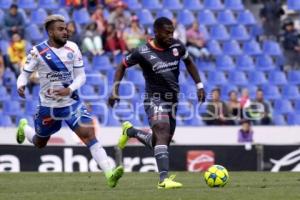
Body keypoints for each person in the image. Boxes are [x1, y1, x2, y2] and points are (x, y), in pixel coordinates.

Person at [16, 15, 123, 188]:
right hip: (48, 108)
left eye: (66, 28)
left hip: (71, 103)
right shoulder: (37, 51)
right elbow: (24, 74)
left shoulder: (73, 48)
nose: (66, 31)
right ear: (50, 32)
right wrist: (21, 85)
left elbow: (81, 76)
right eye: (61, 29)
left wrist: (69, 89)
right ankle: (24, 127)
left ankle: (110, 173)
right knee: (39, 143)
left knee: (89, 136)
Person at [108, 17, 206, 189]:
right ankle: (163, 180)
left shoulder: (177, 47)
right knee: (162, 130)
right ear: (156, 32)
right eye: (167, 32)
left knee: (159, 141)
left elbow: (189, 62)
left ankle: (130, 131)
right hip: (153, 98)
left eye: (172, 32)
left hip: (173, 101)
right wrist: (115, 90)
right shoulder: (142, 51)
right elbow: (121, 66)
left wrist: (199, 85)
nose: (170, 35)